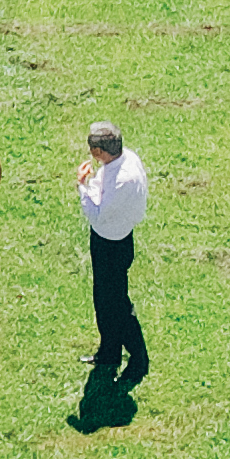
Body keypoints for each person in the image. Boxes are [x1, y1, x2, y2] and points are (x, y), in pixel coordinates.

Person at [76, 120, 149, 387]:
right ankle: (109, 352)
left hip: (111, 245)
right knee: (103, 301)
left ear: (98, 152)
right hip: (113, 239)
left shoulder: (122, 180)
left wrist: (81, 185)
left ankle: (139, 359)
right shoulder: (124, 160)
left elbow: (97, 214)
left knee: (117, 306)